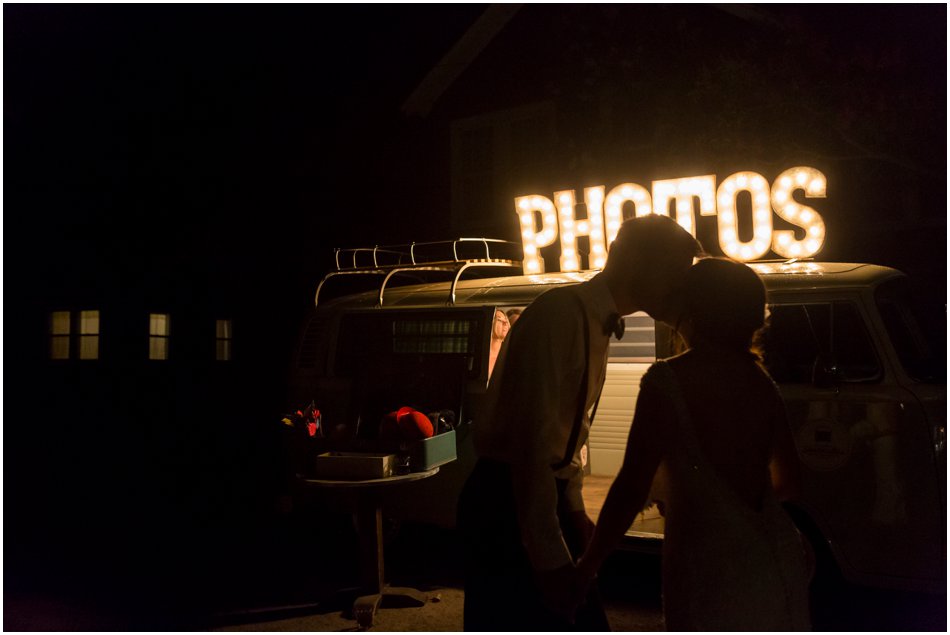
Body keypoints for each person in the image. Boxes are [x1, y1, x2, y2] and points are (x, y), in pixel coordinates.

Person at [458, 214, 703, 631]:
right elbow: (531, 444)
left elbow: (568, 434)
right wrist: (550, 557)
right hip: (508, 501)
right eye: (675, 273)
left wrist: (572, 509)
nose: (681, 287)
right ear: (640, 263)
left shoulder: (590, 319)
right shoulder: (560, 315)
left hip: (534, 495)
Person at [575, 257, 811, 631]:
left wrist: (588, 564)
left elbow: (631, 486)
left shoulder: (666, 381)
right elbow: (790, 482)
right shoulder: (760, 382)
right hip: (773, 554)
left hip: (709, 561)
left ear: (692, 310)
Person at [487, 309, 510, 378]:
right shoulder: (481, 356)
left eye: (506, 320)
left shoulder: (510, 355)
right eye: (499, 320)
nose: (505, 323)